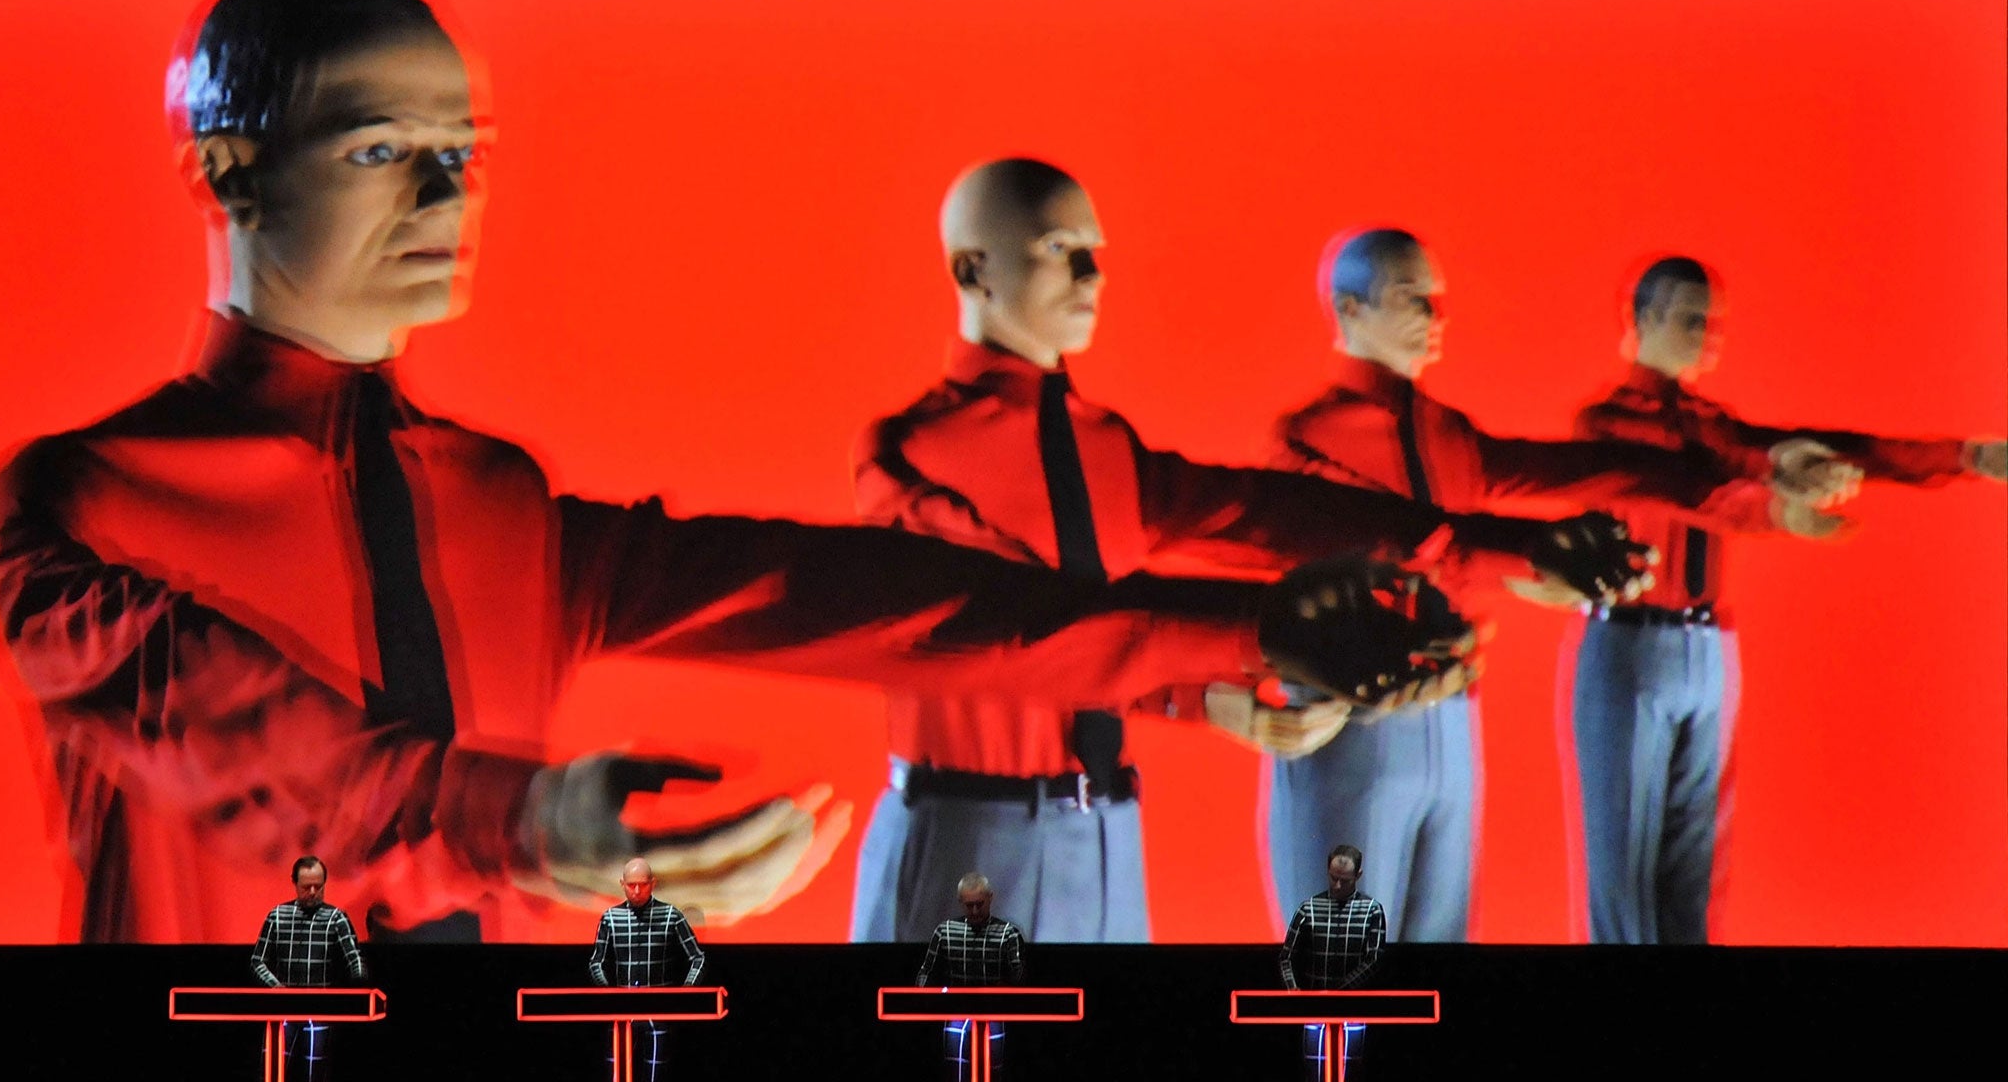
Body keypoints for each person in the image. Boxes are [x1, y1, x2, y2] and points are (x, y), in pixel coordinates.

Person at [0, 0, 1477, 948]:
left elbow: (854, 594)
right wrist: (527, 823)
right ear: (226, 167)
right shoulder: (78, 501)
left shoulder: (492, 499)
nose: (447, 189)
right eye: (381, 147)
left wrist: (1241, 631)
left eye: (465, 150)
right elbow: (234, 730)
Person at [850, 161, 1660, 944]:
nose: (1094, 274)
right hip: (969, 835)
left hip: (1104, 831)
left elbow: (1262, 512)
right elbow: (1027, 636)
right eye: (1061, 250)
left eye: (1094, 250)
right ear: (972, 269)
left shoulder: (1104, 448)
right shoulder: (914, 453)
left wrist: (1509, 549)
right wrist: (1224, 666)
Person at [1264, 228, 1794, 939]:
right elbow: (1384, 557)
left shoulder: (1450, 434)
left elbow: (1587, 470)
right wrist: (1525, 566)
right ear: (1349, 310)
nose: (1433, 314)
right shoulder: (1306, 439)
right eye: (1410, 297)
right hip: (1350, 724)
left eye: (1437, 298)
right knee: (1341, 971)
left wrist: (1761, 480)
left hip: (1451, 725)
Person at [1564, 255, 2008, 942]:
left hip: (1706, 648)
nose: (1708, 335)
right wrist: (1772, 485)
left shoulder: (1714, 424)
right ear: (1644, 317)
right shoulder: (1610, 424)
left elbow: (1819, 448)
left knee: (1693, 873)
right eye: (1691, 318)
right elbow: (1694, 476)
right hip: (1629, 645)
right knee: (1625, 882)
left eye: (1713, 322)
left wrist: (1958, 457)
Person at [248, 854, 366, 1082]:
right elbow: (257, 961)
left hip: (320, 1013)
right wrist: (279, 989)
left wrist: (358, 981)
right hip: (282, 1017)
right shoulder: (278, 915)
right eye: (306, 887)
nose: (312, 892)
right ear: (295, 884)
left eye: (318, 886)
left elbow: (354, 959)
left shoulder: (336, 919)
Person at [586, 856, 703, 1082]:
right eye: (631, 885)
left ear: (652, 884)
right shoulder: (611, 917)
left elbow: (697, 957)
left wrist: (682, 995)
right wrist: (610, 993)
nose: (637, 891)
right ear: (623, 885)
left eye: (643, 884)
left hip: (658, 1014)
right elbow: (596, 962)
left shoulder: (669, 916)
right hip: (620, 1016)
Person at [1278, 845, 1384, 1082]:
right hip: (1313, 1016)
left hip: (1352, 1016)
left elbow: (1374, 960)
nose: (1337, 886)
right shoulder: (1309, 908)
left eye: (1345, 880)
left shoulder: (1371, 911)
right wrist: (1296, 994)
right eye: (1333, 878)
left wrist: (1336, 996)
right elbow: (1286, 956)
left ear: (1358, 877)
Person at [916, 871, 1026, 1082]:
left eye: (979, 905)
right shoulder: (946, 931)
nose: (974, 912)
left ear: (989, 899)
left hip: (993, 1017)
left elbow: (1019, 979)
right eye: (969, 906)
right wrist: (921, 999)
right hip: (957, 1014)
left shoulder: (1007, 934)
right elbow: (927, 971)